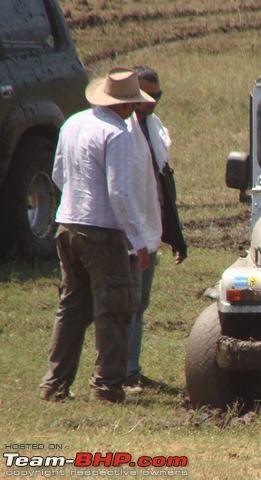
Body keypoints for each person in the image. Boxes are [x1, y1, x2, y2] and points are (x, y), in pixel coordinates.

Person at [40, 68, 155, 403]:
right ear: (127, 105)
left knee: (72, 307)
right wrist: (139, 240)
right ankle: (108, 386)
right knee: (114, 308)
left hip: (67, 226)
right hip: (101, 233)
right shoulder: (116, 133)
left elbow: (58, 173)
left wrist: (77, 201)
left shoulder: (73, 123)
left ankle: (54, 384)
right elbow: (119, 192)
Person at [123, 66, 187, 392]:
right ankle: (120, 373)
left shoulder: (154, 127)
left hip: (148, 230)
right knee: (128, 303)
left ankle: (130, 370)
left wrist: (173, 236)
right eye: (146, 95)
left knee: (140, 303)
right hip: (128, 234)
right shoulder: (122, 131)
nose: (151, 102)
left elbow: (164, 186)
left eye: (157, 96)